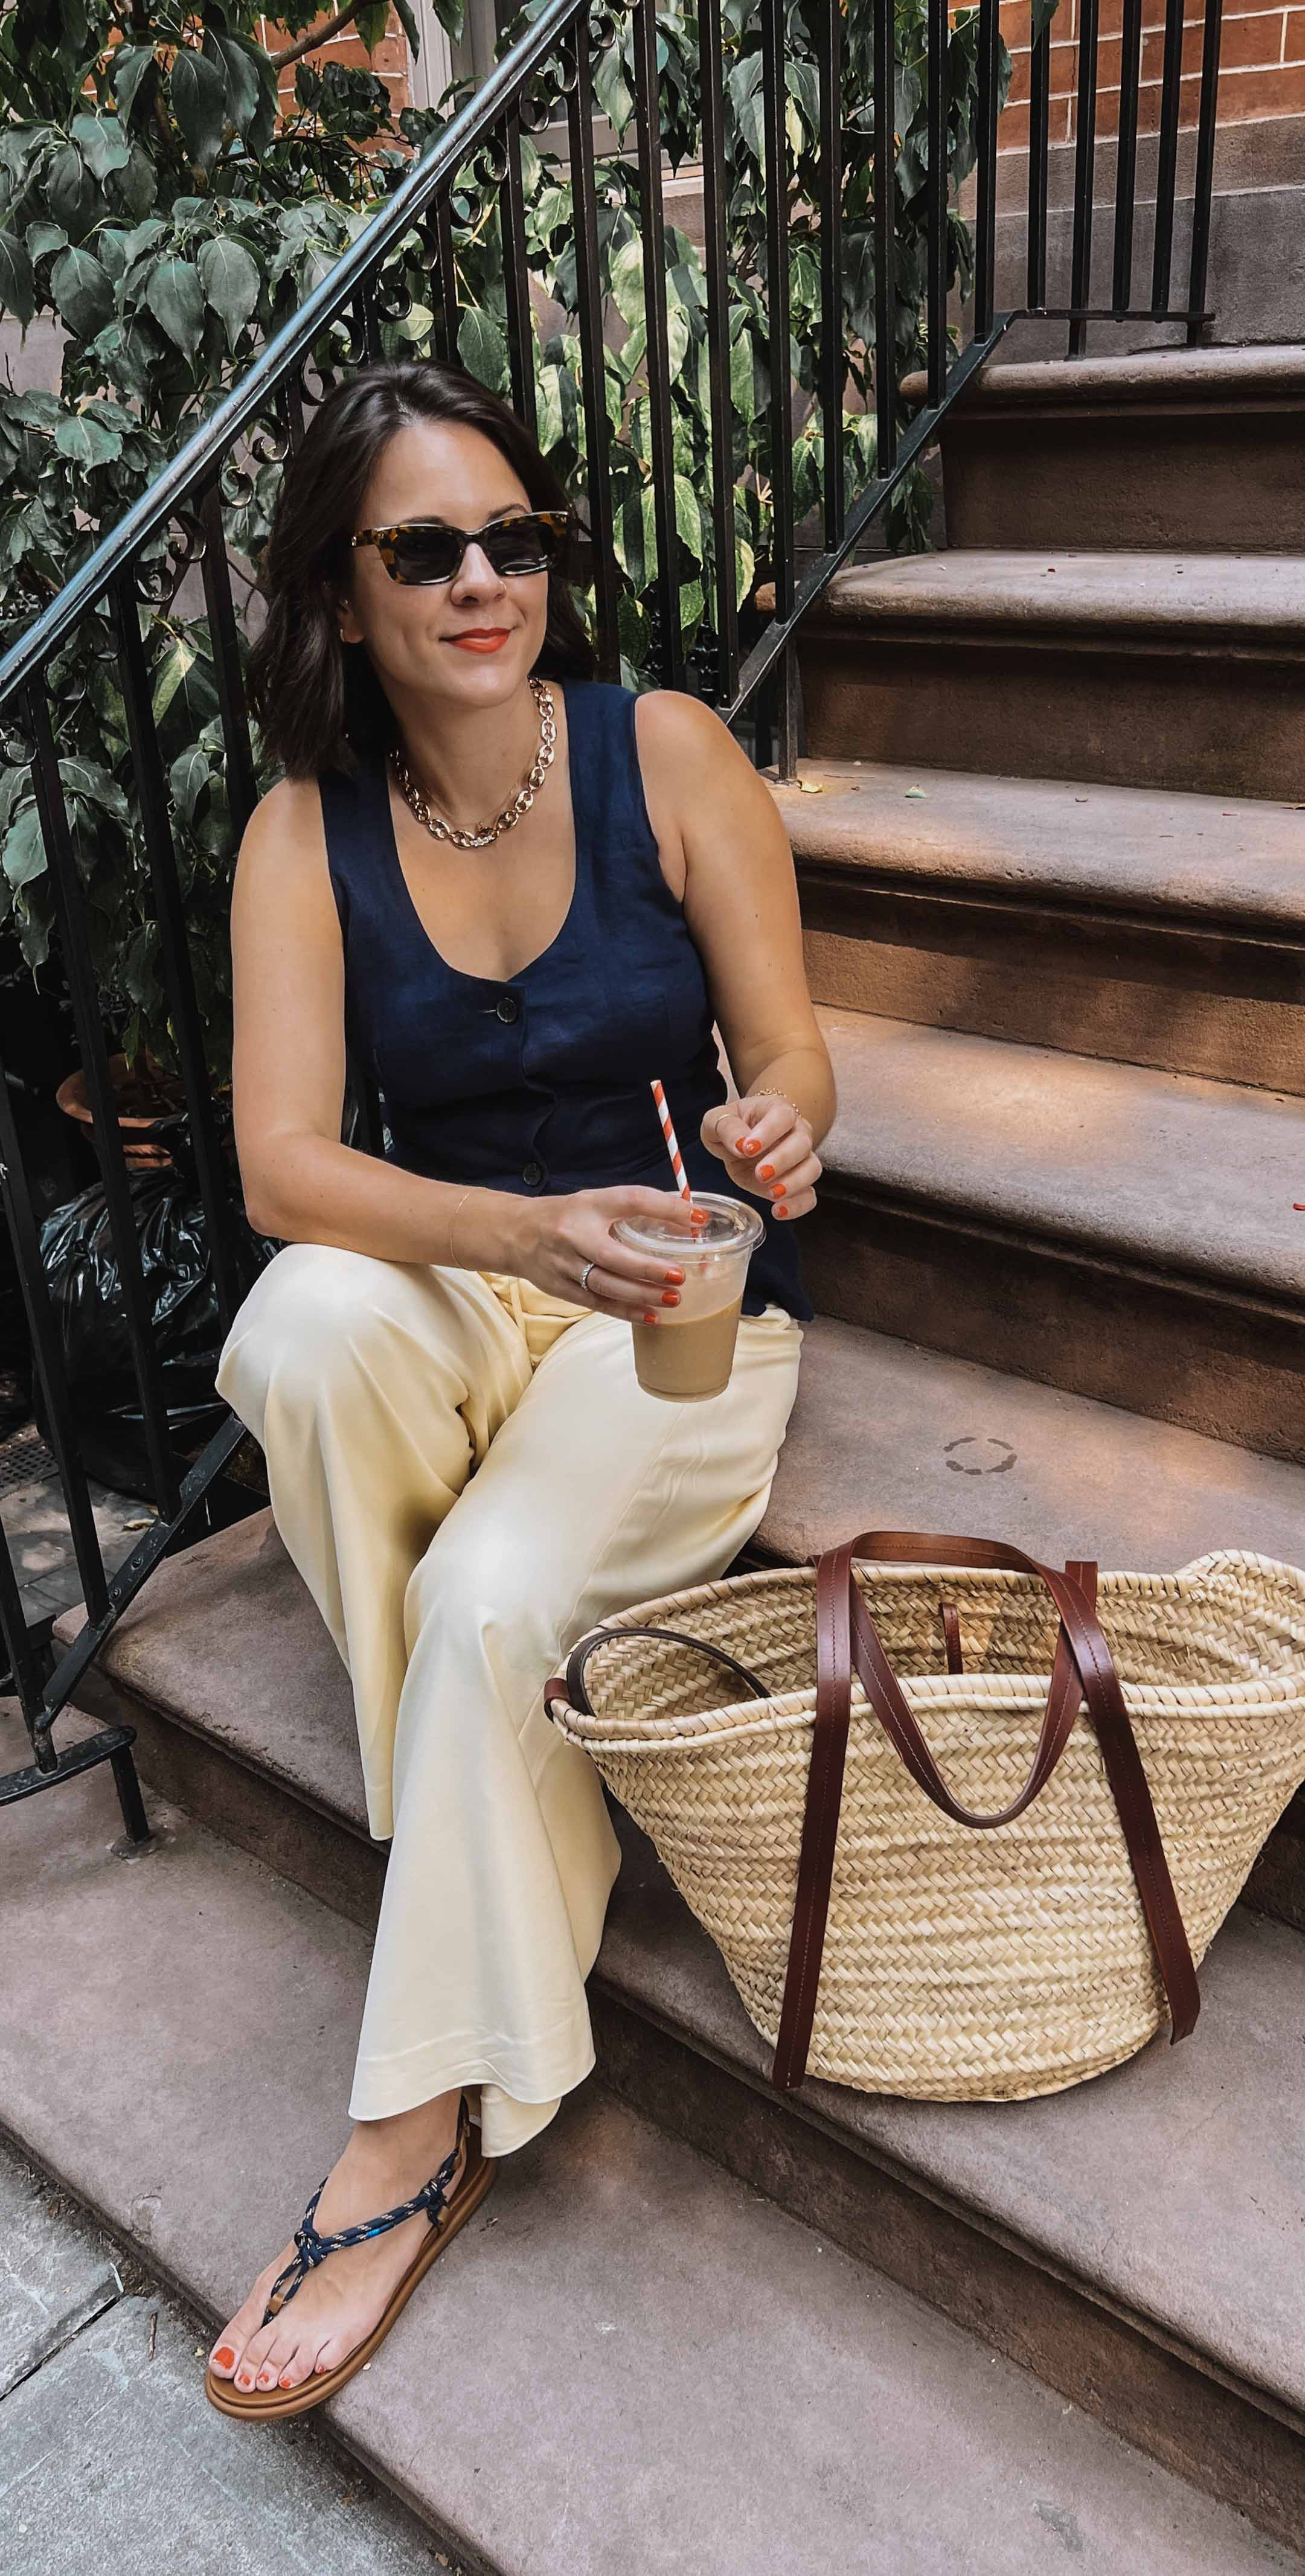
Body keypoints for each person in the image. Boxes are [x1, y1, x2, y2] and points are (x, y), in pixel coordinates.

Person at [202, 357, 835, 2418]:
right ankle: (472, 1837)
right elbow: (286, 1162)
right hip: (487, 1278)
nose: (486, 580)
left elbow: (793, 1050)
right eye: (428, 548)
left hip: (671, 1297)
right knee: (297, 1318)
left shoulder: (661, 747)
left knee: (485, 1595)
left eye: (517, 538)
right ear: (345, 587)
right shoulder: (303, 831)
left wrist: (783, 1136)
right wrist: (511, 1232)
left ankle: (411, 2128)